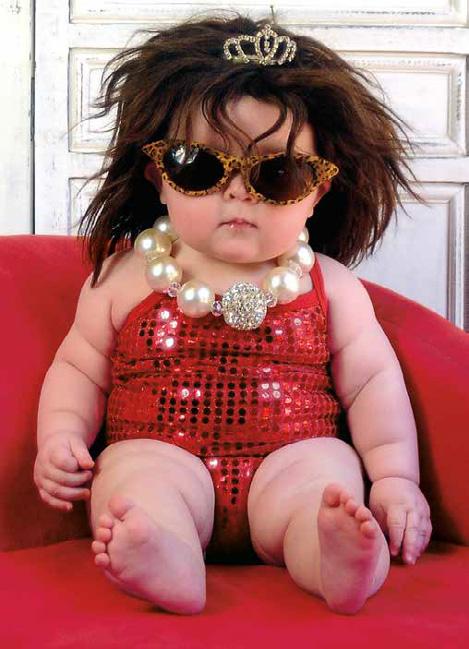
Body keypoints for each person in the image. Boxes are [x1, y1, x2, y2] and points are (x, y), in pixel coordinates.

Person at [33, 13, 432, 616]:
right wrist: (60, 437)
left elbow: (374, 384)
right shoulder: (125, 277)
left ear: (317, 193)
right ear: (159, 177)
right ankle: (164, 552)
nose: (239, 192)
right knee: (133, 478)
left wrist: (397, 478)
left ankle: (333, 558)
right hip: (161, 453)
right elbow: (79, 368)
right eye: (200, 166)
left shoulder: (331, 286)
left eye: (278, 173)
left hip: (292, 460)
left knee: (326, 478)